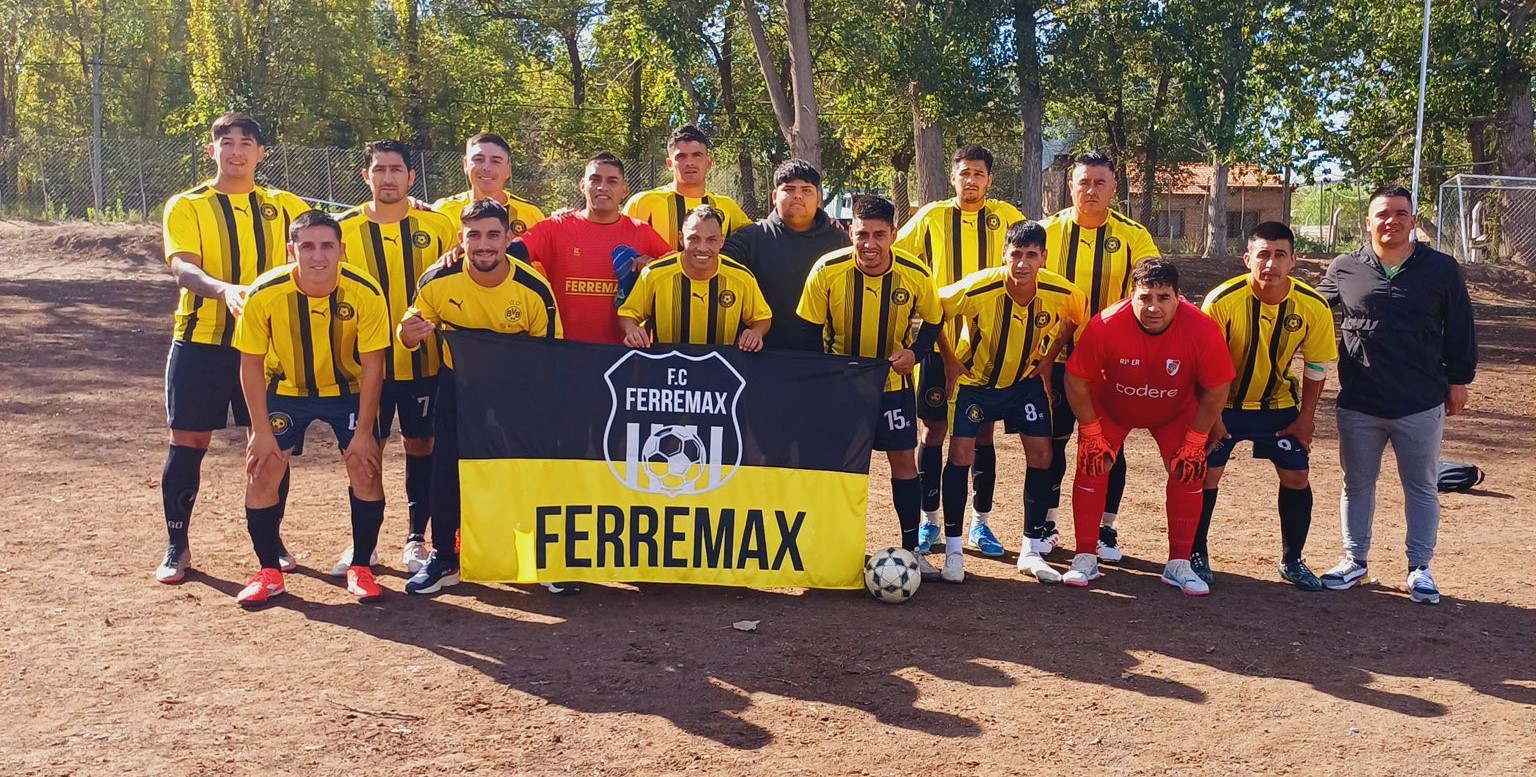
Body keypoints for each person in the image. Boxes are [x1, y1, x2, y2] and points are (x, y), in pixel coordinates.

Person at [155, 112, 309, 584]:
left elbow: (327, 243)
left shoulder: (286, 206)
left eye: (246, 143)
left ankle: (270, 539)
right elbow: (183, 268)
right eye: (227, 142)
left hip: (267, 349)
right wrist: (224, 290)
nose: (236, 151)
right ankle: (177, 544)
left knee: (270, 446)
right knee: (189, 443)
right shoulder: (187, 205)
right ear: (212, 150)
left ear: (260, 153)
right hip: (200, 343)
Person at [1314, 184, 1477, 605]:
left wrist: (1459, 379)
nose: (1392, 221)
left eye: (1401, 214)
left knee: (1421, 486)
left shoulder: (1440, 268)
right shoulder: (1345, 267)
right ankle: (1354, 560)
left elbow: (1460, 326)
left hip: (1420, 401)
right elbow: (1310, 310)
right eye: (1383, 214)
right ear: (1367, 222)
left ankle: (1420, 567)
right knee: (1357, 484)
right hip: (1360, 401)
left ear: (1413, 221)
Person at [398, 199, 564, 596]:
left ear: (508, 238)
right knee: (447, 470)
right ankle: (444, 557)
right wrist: (408, 334)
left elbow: (550, 355)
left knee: (523, 472)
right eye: (474, 235)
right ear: (462, 239)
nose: (484, 244)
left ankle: (538, 557)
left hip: (518, 392)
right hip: (458, 387)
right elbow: (410, 326)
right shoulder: (438, 280)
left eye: (493, 235)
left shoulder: (534, 290)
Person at [231, 210, 391, 606]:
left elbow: (374, 365)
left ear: (341, 250)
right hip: (286, 388)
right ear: (292, 251)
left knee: (365, 467)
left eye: (326, 246)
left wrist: (364, 432)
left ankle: (361, 566)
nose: (317, 256)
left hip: (348, 389)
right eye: (307, 247)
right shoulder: (264, 293)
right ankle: (269, 572)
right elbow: (250, 364)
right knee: (262, 470)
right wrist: (260, 432)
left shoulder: (365, 291)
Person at [796, 196, 948, 579]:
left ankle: (912, 549)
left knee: (903, 462)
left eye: (879, 235)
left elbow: (934, 322)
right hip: (841, 391)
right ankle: (830, 547)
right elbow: (808, 331)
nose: (870, 244)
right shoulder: (826, 270)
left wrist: (915, 353)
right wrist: (828, 377)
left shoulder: (915, 273)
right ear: (851, 232)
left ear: (893, 234)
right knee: (837, 467)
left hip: (892, 385)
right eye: (862, 234)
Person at [1061, 260, 1234, 595]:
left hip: (1174, 410)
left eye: (1163, 297)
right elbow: (1076, 379)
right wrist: (1091, 430)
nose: (1154, 307)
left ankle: (1179, 564)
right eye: (1145, 297)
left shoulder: (1202, 329)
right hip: (1112, 407)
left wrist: (1196, 438)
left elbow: (1217, 387)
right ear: (1132, 296)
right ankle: (1085, 556)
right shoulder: (1106, 324)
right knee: (1092, 463)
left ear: (1178, 297)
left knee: (1188, 469)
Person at [896, 144, 1027, 559]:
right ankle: (930, 521)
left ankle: (980, 523)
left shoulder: (1007, 217)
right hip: (939, 345)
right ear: (952, 177)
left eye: (978, 174)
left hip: (989, 348)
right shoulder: (932, 217)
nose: (971, 180)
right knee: (932, 431)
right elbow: (898, 259)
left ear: (990, 180)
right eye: (964, 173)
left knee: (981, 433)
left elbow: (1029, 257)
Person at [937, 221, 1086, 584]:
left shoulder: (1061, 290)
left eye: (1031, 255)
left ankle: (1031, 550)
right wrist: (949, 360)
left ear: (1043, 258)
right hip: (976, 383)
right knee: (960, 455)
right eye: (1016, 254)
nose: (1022, 263)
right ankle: (954, 552)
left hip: (1024, 384)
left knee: (1043, 455)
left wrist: (1049, 358)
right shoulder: (978, 287)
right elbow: (934, 308)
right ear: (1003, 254)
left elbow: (1075, 316)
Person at [335, 139, 457, 575]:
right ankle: (362, 543)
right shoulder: (343, 230)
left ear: (411, 176)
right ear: (366, 176)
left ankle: (416, 539)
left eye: (396, 170)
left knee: (422, 445)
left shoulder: (438, 225)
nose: (388, 178)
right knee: (365, 450)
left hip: (425, 363)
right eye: (379, 170)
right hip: (361, 366)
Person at [1199, 221, 1337, 590]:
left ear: (1293, 260)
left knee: (1297, 476)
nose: (1270, 264)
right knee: (1206, 474)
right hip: (1225, 405)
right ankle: (1196, 553)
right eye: (1263, 255)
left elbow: (1317, 365)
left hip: (1277, 405)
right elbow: (1205, 366)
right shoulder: (1221, 301)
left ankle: (1293, 561)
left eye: (1279, 255)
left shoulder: (1313, 305)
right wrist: (1212, 418)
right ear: (1248, 259)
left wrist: (1306, 418)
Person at [1039, 151, 1160, 563]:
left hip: (1111, 364)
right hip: (1055, 360)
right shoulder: (1047, 232)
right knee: (1052, 444)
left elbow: (1151, 289)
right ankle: (1047, 523)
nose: (1091, 190)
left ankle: (1106, 529)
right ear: (1070, 187)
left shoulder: (1134, 236)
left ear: (1114, 188)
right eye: (1083, 183)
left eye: (1099, 183)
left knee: (1110, 447)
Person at [514, 152, 672, 344]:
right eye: (595, 179)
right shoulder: (555, 227)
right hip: (562, 349)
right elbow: (507, 256)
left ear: (624, 190)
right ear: (582, 185)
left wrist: (652, 267)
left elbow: (679, 273)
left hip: (622, 352)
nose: (602, 187)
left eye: (612, 181)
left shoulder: (642, 232)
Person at [723, 159, 849, 352]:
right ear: (774, 196)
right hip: (760, 355)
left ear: (818, 198)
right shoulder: (750, 238)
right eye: (789, 189)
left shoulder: (840, 242)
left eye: (806, 190)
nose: (797, 196)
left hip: (823, 359)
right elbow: (712, 266)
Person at [619, 205, 772, 350]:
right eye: (694, 238)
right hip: (668, 365)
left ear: (722, 241)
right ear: (681, 238)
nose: (702, 248)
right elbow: (628, 313)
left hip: (721, 365)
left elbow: (762, 317)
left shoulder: (741, 277)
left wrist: (756, 333)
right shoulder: (654, 274)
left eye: (711, 240)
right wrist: (631, 329)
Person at [623, 124, 752, 249]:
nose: (690, 162)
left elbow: (756, 241)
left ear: (708, 162)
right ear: (669, 164)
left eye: (697, 155)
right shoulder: (642, 203)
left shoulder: (727, 207)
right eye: (681, 156)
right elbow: (617, 243)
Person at [430, 132, 545, 239]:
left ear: (508, 169)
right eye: (478, 159)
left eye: (495, 161)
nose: (486, 167)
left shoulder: (532, 215)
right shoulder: (444, 211)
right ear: (465, 165)